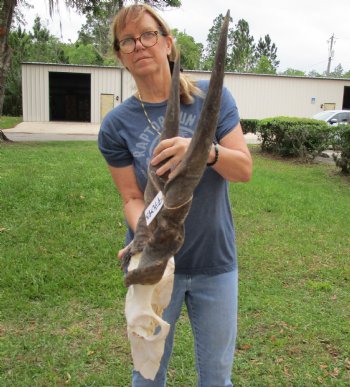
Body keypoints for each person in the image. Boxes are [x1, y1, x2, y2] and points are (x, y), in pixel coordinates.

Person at [98, 4, 253, 386]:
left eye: (148, 35)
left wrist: (203, 150)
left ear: (168, 43)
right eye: (128, 41)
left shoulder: (211, 99)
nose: (139, 46)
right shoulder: (116, 125)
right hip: (153, 264)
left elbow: (244, 169)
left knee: (217, 378)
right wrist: (143, 236)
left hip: (214, 263)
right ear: (120, 55)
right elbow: (132, 197)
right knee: (147, 376)